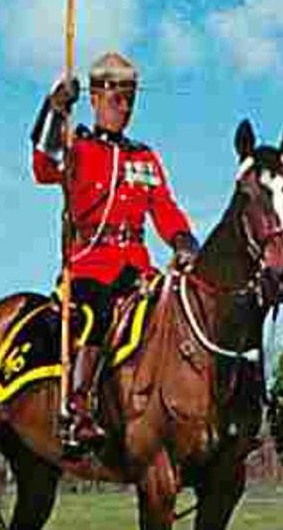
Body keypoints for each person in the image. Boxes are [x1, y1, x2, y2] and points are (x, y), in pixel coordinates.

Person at [30, 50, 199, 456]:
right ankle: (78, 410)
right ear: (95, 98)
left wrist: (183, 240)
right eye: (115, 99)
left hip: (137, 266)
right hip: (90, 263)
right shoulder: (79, 146)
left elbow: (164, 206)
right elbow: (43, 166)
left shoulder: (144, 157)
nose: (123, 108)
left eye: (129, 100)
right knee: (96, 313)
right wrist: (53, 109)